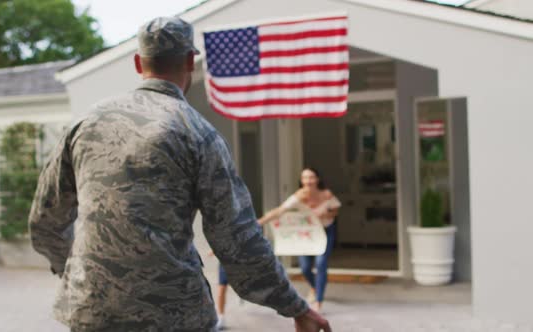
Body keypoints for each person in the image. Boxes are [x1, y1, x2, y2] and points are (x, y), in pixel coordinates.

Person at [28, 16, 331, 332]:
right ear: (190, 61)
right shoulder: (199, 133)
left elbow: (44, 220)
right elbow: (237, 238)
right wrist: (295, 307)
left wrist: (79, 271)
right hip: (173, 315)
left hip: (90, 309)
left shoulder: (85, 123)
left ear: (138, 63)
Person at [258, 168, 341, 312]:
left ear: (317, 179)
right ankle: (315, 287)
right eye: (305, 178)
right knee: (305, 268)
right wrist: (258, 222)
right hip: (308, 234)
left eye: (311, 177)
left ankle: (318, 301)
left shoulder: (326, 194)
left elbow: (336, 210)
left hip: (325, 231)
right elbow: (279, 211)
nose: (308, 181)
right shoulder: (299, 196)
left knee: (321, 264)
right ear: (301, 181)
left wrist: (326, 212)